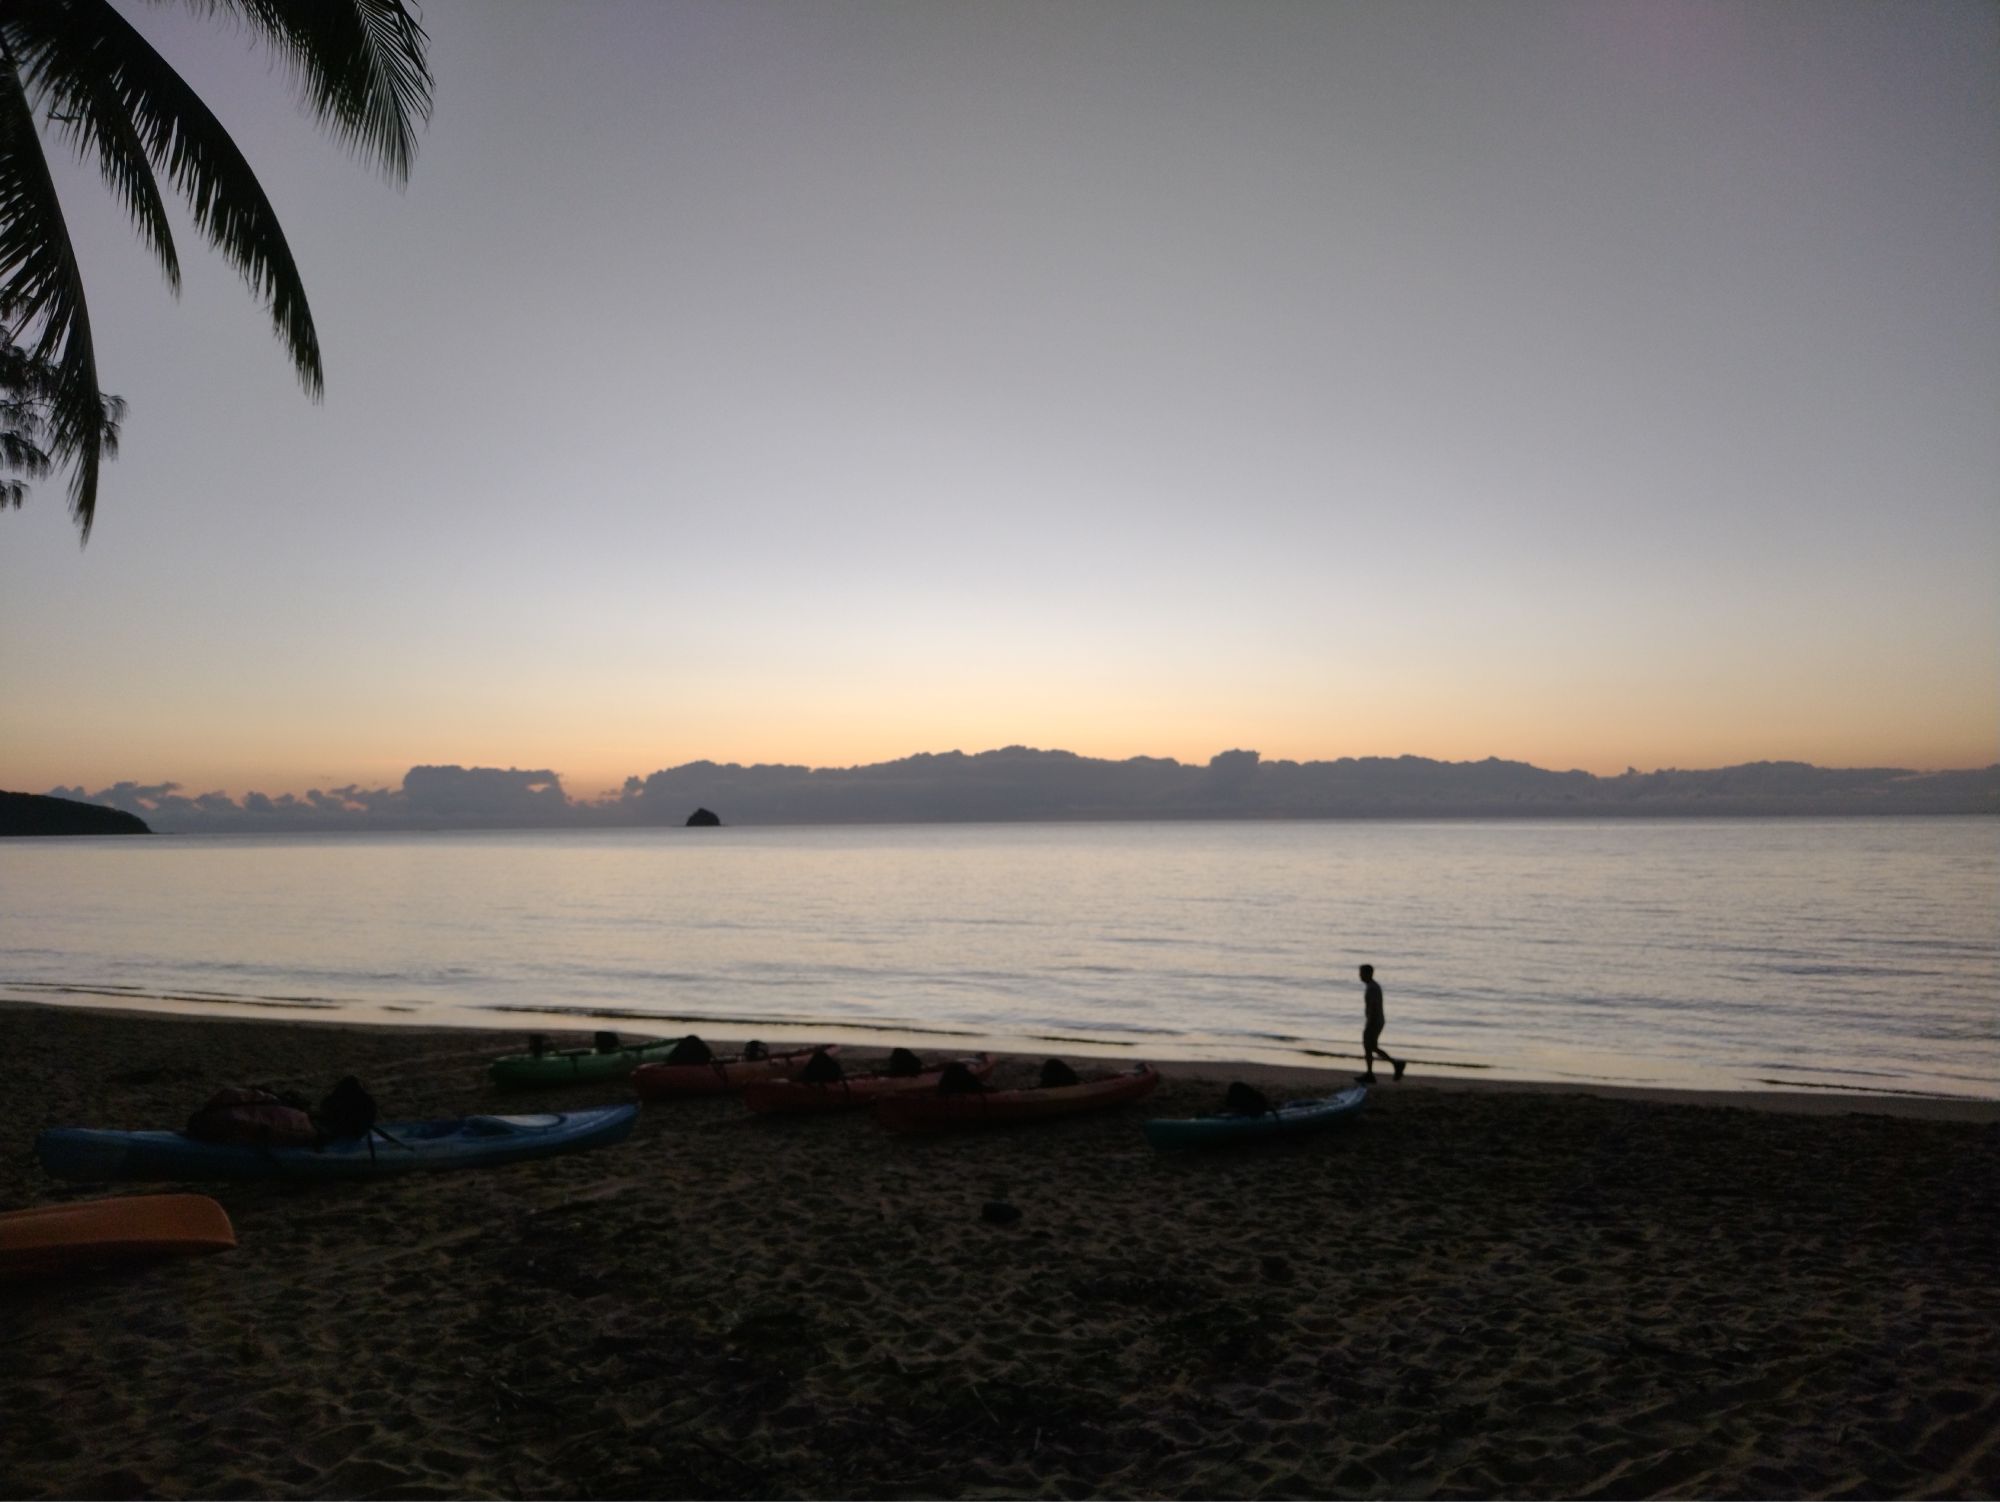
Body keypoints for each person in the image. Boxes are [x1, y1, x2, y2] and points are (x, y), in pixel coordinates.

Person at [1356, 963, 1406, 1083]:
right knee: (1370, 1047)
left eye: (1362, 973)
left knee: (1369, 1046)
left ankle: (1391, 1065)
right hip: (1376, 1020)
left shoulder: (1373, 988)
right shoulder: (1372, 986)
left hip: (1374, 1021)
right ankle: (1374, 1071)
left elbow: (1373, 1006)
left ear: (1368, 974)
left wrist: (1369, 1022)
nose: (1360, 976)